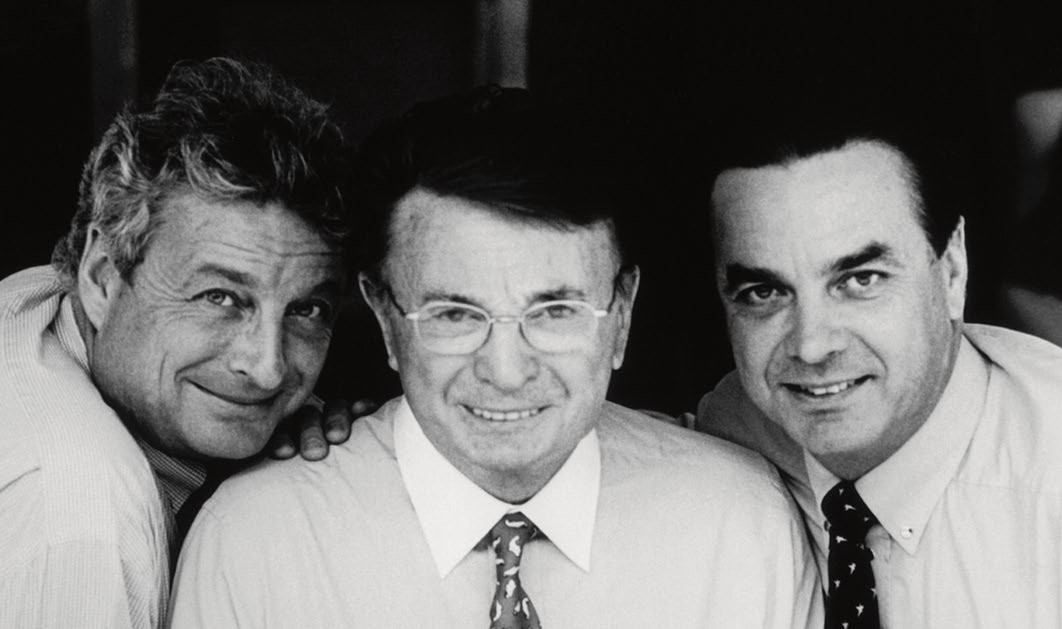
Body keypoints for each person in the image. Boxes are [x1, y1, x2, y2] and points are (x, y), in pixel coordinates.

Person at [169, 86, 822, 628]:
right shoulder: (257, 543)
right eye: (454, 315)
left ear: (621, 313)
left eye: (556, 311)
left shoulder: (740, 526)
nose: (506, 372)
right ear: (385, 318)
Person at [0, 57, 355, 628]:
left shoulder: (31, 306)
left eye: (306, 310)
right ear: (102, 277)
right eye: (220, 297)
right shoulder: (80, 520)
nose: (268, 368)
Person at [696, 101, 1062, 627]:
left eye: (860, 280)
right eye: (764, 292)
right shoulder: (726, 439)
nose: (812, 347)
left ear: (952, 270)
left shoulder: (1048, 488)